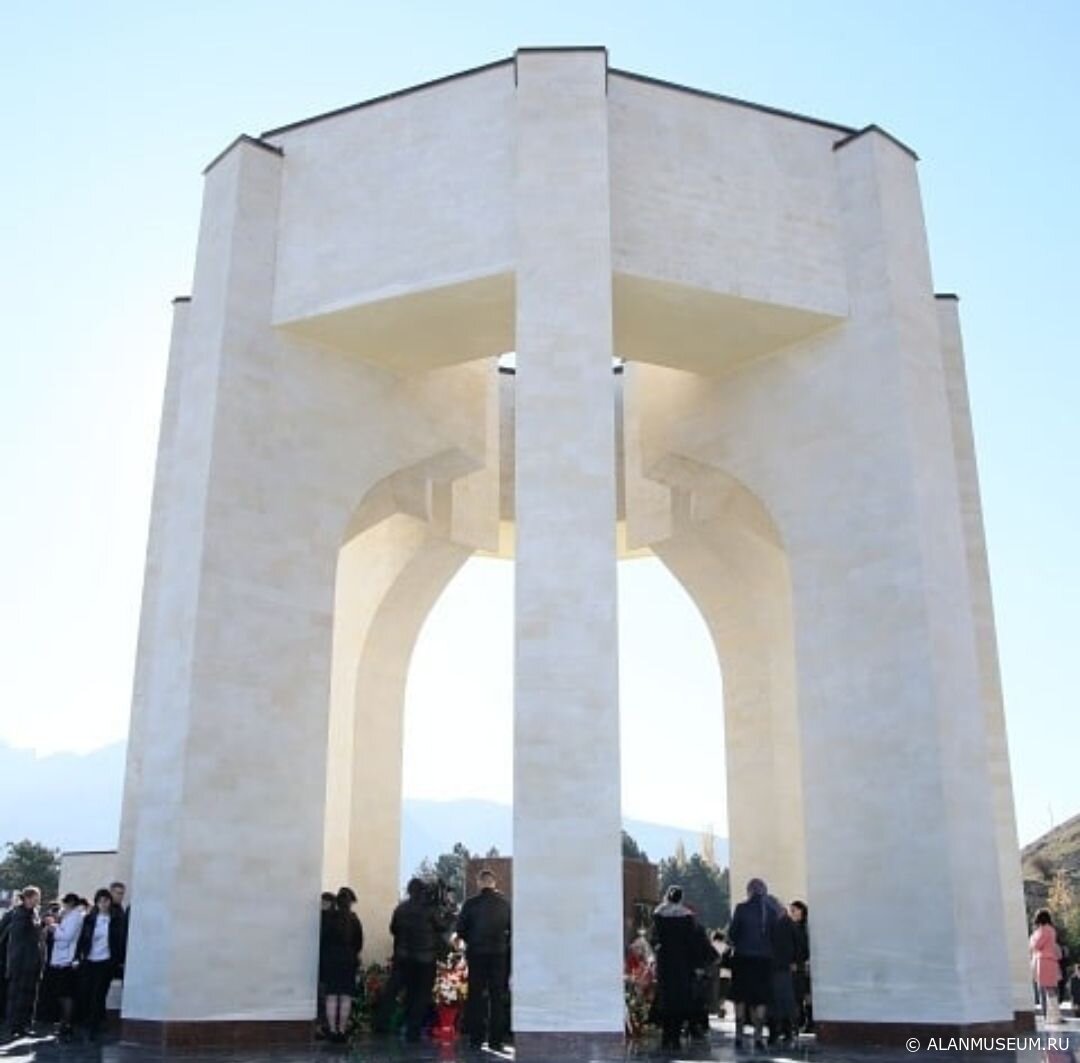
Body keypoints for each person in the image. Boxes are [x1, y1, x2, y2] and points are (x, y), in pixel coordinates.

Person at [376, 878, 454, 1042]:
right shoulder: (430, 910)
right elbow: (442, 927)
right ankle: (413, 1030)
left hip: (403, 957)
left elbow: (393, 929)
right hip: (425, 959)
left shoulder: (400, 909)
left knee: (394, 991)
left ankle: (381, 1024)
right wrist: (449, 916)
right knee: (421, 994)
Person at [649, 885, 711, 1050]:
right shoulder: (687, 916)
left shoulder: (658, 914)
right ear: (681, 898)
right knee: (680, 999)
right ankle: (675, 1036)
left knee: (665, 999)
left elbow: (653, 939)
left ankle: (666, 1036)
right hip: (683, 964)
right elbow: (693, 943)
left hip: (665, 962)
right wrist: (697, 964)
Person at [456, 868, 512, 1050]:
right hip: (499, 955)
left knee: (476, 996)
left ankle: (476, 1038)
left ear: (479, 883)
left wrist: (471, 940)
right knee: (497, 997)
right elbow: (512, 929)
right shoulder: (505, 904)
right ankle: (496, 1041)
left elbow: (460, 929)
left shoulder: (470, 904)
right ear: (494, 883)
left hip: (477, 954)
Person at [727, 877, 778, 1050]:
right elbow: (775, 938)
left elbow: (732, 935)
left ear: (749, 891)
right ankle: (758, 1036)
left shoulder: (741, 909)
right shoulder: (771, 911)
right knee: (761, 999)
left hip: (743, 959)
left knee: (740, 998)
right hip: (764, 961)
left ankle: (739, 1036)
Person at [76, 888, 123, 1039]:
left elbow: (119, 941)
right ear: (96, 903)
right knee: (87, 992)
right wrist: (78, 956)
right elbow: (82, 938)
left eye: (106, 901)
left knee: (99, 993)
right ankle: (90, 1021)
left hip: (106, 961)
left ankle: (94, 1026)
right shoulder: (89, 919)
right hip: (90, 960)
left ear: (110, 902)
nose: (103, 904)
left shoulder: (115, 919)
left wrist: (118, 960)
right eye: (100, 901)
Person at [319, 888, 363, 1042]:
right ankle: (342, 1030)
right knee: (345, 996)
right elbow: (359, 943)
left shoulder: (329, 918)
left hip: (331, 961)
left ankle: (332, 1030)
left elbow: (323, 940)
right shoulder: (354, 920)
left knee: (331, 996)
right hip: (348, 961)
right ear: (350, 903)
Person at [3, 886, 43, 1040]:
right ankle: (14, 1025)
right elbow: (19, 938)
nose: (36, 901)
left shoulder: (34, 913)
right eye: (34, 898)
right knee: (17, 995)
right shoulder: (19, 914)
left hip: (32, 960)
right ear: (26, 898)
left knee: (29, 995)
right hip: (21, 961)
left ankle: (24, 1024)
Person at [44, 894, 84, 1040]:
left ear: (70, 903)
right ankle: (64, 1022)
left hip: (67, 960)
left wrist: (54, 928)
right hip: (62, 959)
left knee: (66, 994)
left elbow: (67, 936)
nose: (63, 907)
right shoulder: (70, 916)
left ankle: (66, 1024)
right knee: (62, 993)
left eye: (65, 904)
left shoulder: (75, 917)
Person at [766, 898, 798, 1047]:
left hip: (773, 966)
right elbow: (798, 943)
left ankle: (776, 1032)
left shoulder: (768, 923)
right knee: (783, 1000)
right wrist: (794, 960)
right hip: (782, 967)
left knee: (775, 1001)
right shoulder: (787, 923)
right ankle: (785, 1031)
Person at [1029, 908, 1062, 1024]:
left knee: (1045, 989)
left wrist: (1032, 939)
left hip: (1043, 961)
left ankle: (1052, 1016)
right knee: (1051, 989)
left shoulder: (1043, 930)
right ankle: (1054, 1015)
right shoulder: (1051, 930)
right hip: (1051, 961)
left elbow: (1036, 945)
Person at [789, 900, 812, 1032]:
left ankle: (808, 1021)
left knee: (805, 994)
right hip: (798, 965)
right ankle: (801, 1021)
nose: (791, 913)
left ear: (801, 911)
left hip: (803, 964)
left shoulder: (805, 927)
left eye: (794, 910)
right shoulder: (794, 927)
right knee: (799, 995)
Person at [108, 882, 129, 980]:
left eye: (122, 894)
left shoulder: (120, 909)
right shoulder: (107, 910)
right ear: (111, 893)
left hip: (117, 954)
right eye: (118, 893)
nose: (121, 896)